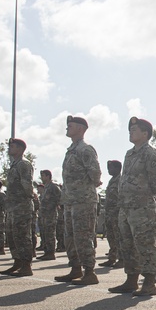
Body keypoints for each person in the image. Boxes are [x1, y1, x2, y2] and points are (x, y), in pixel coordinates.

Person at [109, 117, 156, 297]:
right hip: (126, 207)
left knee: (146, 244)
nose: (131, 132)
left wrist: (143, 196)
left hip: (142, 207)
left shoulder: (151, 153)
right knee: (127, 244)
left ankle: (149, 282)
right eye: (130, 129)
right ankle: (131, 279)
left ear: (145, 134)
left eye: (135, 129)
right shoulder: (129, 154)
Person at [55, 115, 102, 285]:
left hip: (83, 200)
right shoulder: (71, 150)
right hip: (70, 200)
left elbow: (95, 173)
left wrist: (87, 186)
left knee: (83, 236)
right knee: (70, 236)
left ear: (81, 129)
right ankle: (75, 268)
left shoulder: (85, 149)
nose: (67, 127)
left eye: (71, 125)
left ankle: (89, 272)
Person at [0, 138, 36, 277]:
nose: (10, 148)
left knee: (22, 235)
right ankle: (17, 262)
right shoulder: (14, 164)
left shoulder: (23, 164)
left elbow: (27, 184)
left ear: (20, 149)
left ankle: (26, 265)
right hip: (13, 206)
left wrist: (28, 197)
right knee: (12, 234)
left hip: (22, 206)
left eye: (12, 146)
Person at [99, 160, 122, 268]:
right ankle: (112, 258)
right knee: (111, 237)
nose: (109, 170)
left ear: (118, 168)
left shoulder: (120, 180)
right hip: (109, 213)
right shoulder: (112, 180)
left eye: (111, 168)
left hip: (117, 213)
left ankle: (122, 259)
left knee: (119, 237)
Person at [38, 170, 60, 261]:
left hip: (51, 214)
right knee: (46, 233)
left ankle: (51, 253)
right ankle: (47, 251)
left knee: (50, 233)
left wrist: (57, 205)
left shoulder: (53, 186)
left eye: (43, 176)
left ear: (48, 176)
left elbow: (59, 196)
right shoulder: (46, 187)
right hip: (44, 214)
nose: (42, 178)